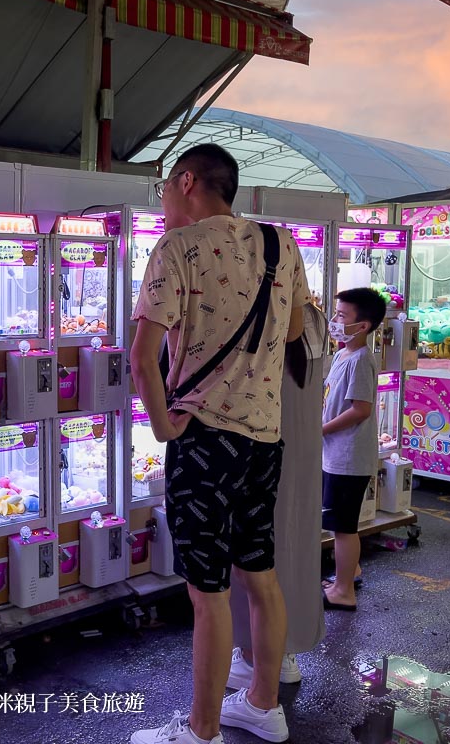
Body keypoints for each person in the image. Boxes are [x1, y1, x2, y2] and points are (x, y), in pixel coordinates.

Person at [128, 143, 310, 744]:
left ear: (186, 182)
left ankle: (200, 732)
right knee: (260, 574)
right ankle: (263, 706)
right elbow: (292, 333)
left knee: (208, 595)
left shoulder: (177, 249)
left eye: (163, 191)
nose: (162, 204)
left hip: (204, 441)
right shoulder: (283, 244)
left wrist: (161, 426)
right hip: (265, 438)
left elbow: (142, 359)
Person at [228, 301, 328, 690]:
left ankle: (255, 656)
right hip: (304, 451)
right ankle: (285, 654)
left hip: (261, 450)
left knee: (255, 557)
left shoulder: (256, 311)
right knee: (296, 548)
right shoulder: (314, 319)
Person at [320, 287, 388, 612]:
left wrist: (320, 429)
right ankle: (347, 574)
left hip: (348, 458)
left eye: (342, 316)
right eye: (335, 314)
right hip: (335, 453)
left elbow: (360, 409)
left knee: (344, 527)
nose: (334, 321)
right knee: (339, 523)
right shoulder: (342, 353)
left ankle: (344, 590)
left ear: (362, 326)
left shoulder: (361, 359)